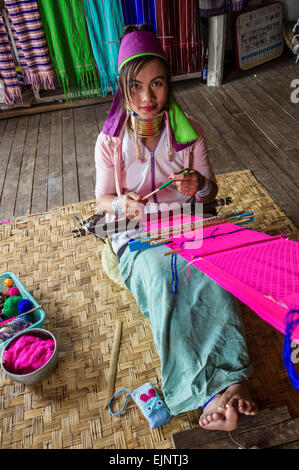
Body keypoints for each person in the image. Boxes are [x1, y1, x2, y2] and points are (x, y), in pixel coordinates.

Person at [95, 24, 258, 431]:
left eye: (158, 84)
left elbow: (210, 193)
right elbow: (99, 202)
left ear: (170, 85)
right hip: (137, 236)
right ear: (122, 87)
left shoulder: (190, 134)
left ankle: (233, 382)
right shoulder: (110, 142)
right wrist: (120, 203)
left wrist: (199, 186)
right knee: (164, 280)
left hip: (188, 226)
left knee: (214, 278)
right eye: (136, 87)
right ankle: (204, 395)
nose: (147, 98)